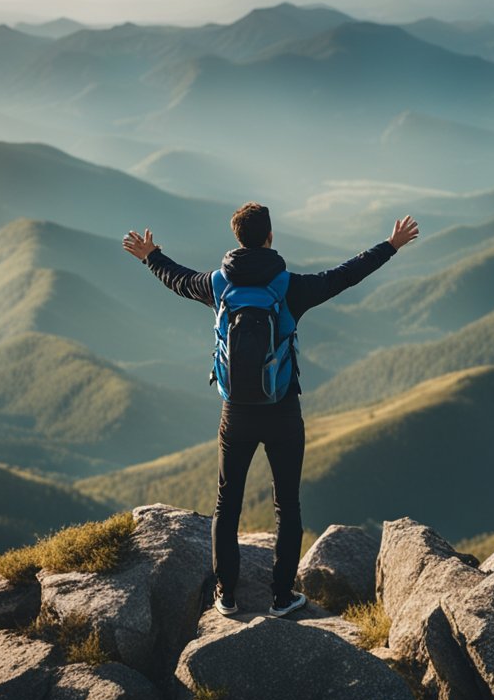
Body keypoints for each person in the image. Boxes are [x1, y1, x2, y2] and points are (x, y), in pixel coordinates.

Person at [122, 203, 419, 617]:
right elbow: (344, 276)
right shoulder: (289, 287)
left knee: (227, 503)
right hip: (282, 411)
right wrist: (391, 245)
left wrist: (150, 256)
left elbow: (178, 279)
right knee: (288, 505)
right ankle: (282, 597)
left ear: (237, 239)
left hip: (236, 413)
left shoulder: (217, 285)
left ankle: (226, 595)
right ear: (270, 237)